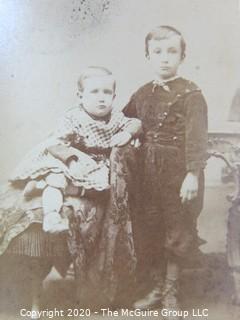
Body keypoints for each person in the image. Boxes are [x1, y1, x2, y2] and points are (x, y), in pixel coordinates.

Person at [0, 66, 141, 313]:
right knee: (56, 176)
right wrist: (69, 158)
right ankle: (52, 214)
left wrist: (127, 134)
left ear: (114, 97)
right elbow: (56, 144)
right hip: (72, 157)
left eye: (107, 92)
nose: (101, 97)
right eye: (94, 91)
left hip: (97, 165)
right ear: (80, 96)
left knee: (99, 187)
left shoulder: (116, 118)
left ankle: (52, 188)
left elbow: (136, 123)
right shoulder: (73, 117)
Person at [123, 26, 208, 316]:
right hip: (147, 175)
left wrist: (193, 174)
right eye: (157, 52)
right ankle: (157, 287)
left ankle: (172, 291)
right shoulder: (142, 93)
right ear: (148, 56)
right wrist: (131, 133)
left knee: (177, 230)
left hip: (177, 175)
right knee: (150, 230)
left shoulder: (191, 94)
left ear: (183, 56)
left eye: (172, 52)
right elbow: (124, 121)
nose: (164, 59)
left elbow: (197, 139)